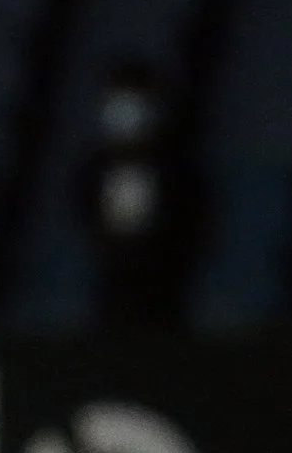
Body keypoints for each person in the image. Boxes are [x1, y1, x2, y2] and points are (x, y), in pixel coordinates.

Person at [76, 60, 204, 330]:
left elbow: (193, 230)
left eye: (135, 101)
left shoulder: (179, 172)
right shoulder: (91, 172)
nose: (126, 112)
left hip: (163, 301)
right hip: (107, 302)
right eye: (119, 101)